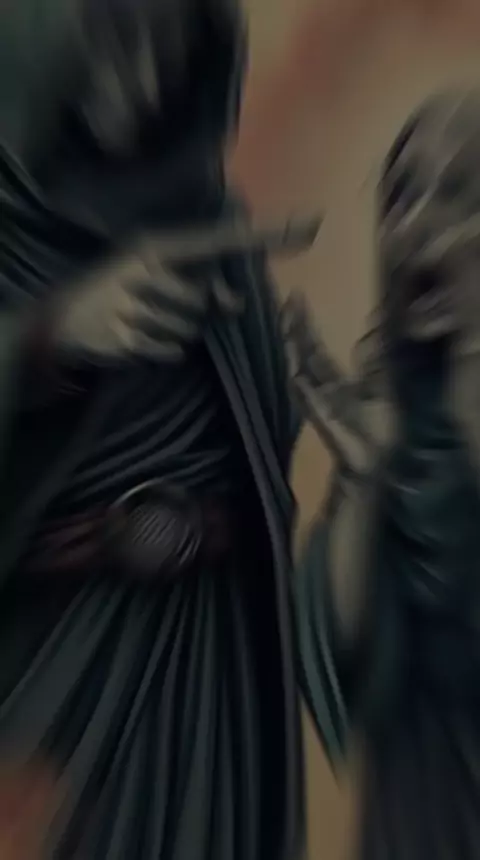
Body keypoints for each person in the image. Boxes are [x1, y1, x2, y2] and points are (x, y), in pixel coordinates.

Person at [0, 1, 319, 857]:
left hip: (205, 661)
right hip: (51, 646)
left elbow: (259, 456)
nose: (142, 83)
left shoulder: (217, 224)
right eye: (114, 43)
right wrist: (55, 336)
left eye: (169, 46)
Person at [284, 90, 480, 857]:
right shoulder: (392, 417)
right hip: (416, 811)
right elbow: (344, 655)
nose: (415, 226)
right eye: (403, 195)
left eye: (457, 194)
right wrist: (365, 481)